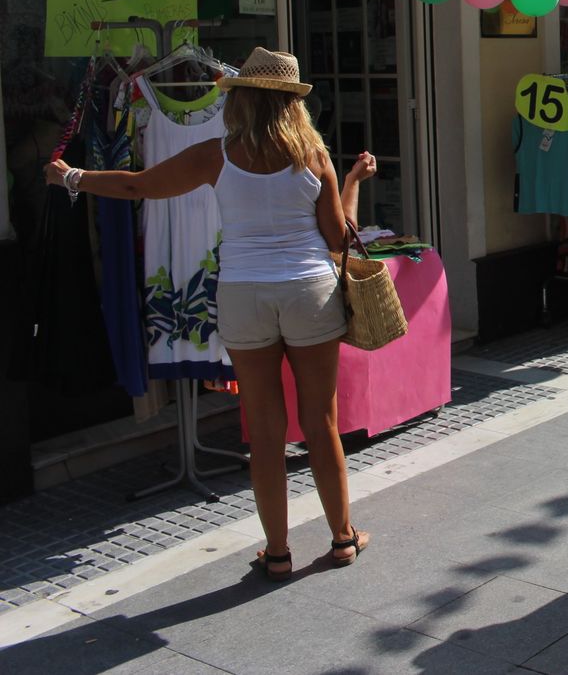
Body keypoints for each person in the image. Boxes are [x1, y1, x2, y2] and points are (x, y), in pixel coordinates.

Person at [44, 49, 375, 580]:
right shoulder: (314, 156)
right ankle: (341, 538)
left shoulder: (216, 155)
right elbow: (339, 239)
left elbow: (136, 186)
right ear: (293, 103)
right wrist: (354, 181)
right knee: (321, 422)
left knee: (265, 430)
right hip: (309, 291)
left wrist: (71, 177)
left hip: (244, 293)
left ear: (242, 98)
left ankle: (277, 552)